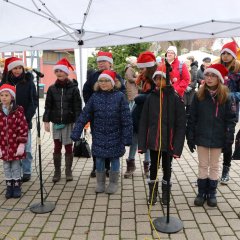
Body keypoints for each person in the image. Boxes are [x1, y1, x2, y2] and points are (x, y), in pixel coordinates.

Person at [71, 70, 132, 194]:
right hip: (99, 134)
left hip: (116, 134)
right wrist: (76, 132)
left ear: (113, 82)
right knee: (99, 159)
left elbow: (126, 119)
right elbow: (84, 115)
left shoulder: (120, 97)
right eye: (101, 81)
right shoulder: (95, 97)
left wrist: (127, 137)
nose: (103, 83)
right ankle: (100, 182)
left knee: (115, 158)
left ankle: (113, 183)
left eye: (106, 81)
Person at [186, 64, 236, 207]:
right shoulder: (199, 95)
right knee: (203, 165)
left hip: (218, 137)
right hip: (202, 136)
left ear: (219, 79)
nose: (209, 78)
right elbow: (192, 117)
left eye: (213, 75)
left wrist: (229, 138)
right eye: (207, 75)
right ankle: (201, 192)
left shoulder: (226, 96)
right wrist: (190, 135)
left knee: (214, 166)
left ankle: (212, 193)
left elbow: (231, 119)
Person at [138, 64, 186, 205]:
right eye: (156, 79)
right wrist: (142, 144)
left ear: (168, 80)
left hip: (168, 141)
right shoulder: (151, 98)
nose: (158, 82)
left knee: (167, 166)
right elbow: (144, 121)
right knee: (153, 166)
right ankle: (153, 193)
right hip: (154, 141)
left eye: (162, 79)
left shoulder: (175, 99)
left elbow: (180, 124)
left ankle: (165, 193)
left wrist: (177, 147)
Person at [83, 51, 126, 178]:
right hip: (97, 116)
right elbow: (86, 91)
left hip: (113, 118)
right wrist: (93, 106)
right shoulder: (93, 76)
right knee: (97, 141)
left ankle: (109, 168)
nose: (100, 64)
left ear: (110, 63)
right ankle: (97, 167)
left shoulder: (117, 76)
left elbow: (123, 94)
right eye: (99, 61)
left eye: (103, 61)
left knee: (111, 143)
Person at [43, 58, 82, 182]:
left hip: (68, 122)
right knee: (56, 147)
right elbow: (48, 106)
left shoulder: (74, 89)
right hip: (56, 122)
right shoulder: (51, 89)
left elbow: (77, 107)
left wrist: (77, 122)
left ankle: (68, 171)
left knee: (69, 146)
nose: (59, 73)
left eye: (61, 71)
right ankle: (57, 171)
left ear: (66, 73)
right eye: (57, 71)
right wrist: (46, 121)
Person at [1, 57, 37, 183]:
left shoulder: (28, 83)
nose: (17, 70)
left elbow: (34, 101)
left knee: (26, 148)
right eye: (15, 68)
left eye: (19, 68)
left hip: (24, 121)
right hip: (8, 123)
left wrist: (26, 118)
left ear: (23, 68)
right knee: (13, 148)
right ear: (11, 69)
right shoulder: (5, 83)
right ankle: (16, 172)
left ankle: (26, 171)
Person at [124, 51, 156, 179]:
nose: (140, 71)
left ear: (149, 67)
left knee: (148, 141)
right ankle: (131, 164)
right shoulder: (144, 78)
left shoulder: (155, 79)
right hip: (139, 114)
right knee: (134, 139)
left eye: (142, 68)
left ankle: (147, 165)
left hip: (149, 114)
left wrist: (139, 97)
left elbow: (153, 95)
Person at [0, 84, 28, 198]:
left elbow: (23, 127)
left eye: (6, 95)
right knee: (6, 166)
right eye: (1, 95)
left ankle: (16, 185)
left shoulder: (18, 111)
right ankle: (9, 186)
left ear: (12, 97)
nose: (4, 97)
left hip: (15, 146)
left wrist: (21, 144)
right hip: (3, 146)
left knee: (16, 166)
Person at [218, 41, 240, 184]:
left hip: (230, 113)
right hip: (214, 111)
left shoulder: (237, 71)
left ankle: (226, 170)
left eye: (228, 53)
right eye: (223, 53)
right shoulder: (217, 69)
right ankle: (210, 172)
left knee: (227, 142)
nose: (225, 56)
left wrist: (231, 96)